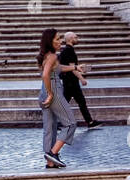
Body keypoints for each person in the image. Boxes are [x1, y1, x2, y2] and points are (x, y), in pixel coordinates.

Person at [39, 27, 76, 169]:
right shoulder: (53, 56)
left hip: (43, 90)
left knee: (50, 128)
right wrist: (50, 94)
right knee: (71, 123)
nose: (60, 41)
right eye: (57, 39)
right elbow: (46, 74)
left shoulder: (46, 55)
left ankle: (50, 162)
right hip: (53, 89)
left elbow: (57, 68)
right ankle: (53, 153)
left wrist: (75, 68)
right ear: (50, 41)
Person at [58, 31, 101, 129]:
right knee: (78, 102)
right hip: (71, 82)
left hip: (68, 81)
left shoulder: (66, 50)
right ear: (70, 39)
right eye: (76, 37)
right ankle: (89, 122)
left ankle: (89, 122)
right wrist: (82, 78)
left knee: (75, 102)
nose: (77, 39)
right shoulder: (69, 51)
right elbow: (72, 68)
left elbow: (72, 67)